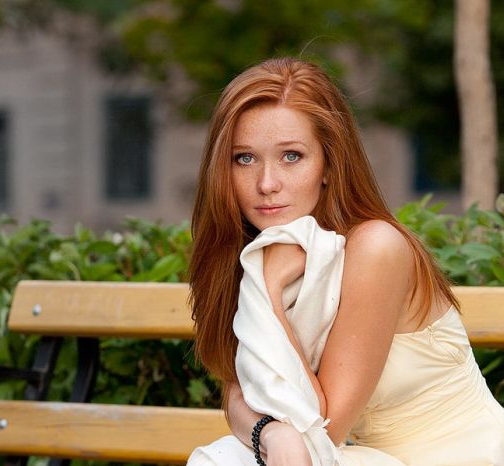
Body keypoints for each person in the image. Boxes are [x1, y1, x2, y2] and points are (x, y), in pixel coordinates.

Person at [187, 57, 504, 465]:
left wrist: (267, 291)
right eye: (244, 159)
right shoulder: (258, 252)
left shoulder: (376, 247)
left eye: (291, 156)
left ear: (328, 164)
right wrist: (270, 433)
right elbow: (237, 393)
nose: (266, 184)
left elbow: (320, 427)